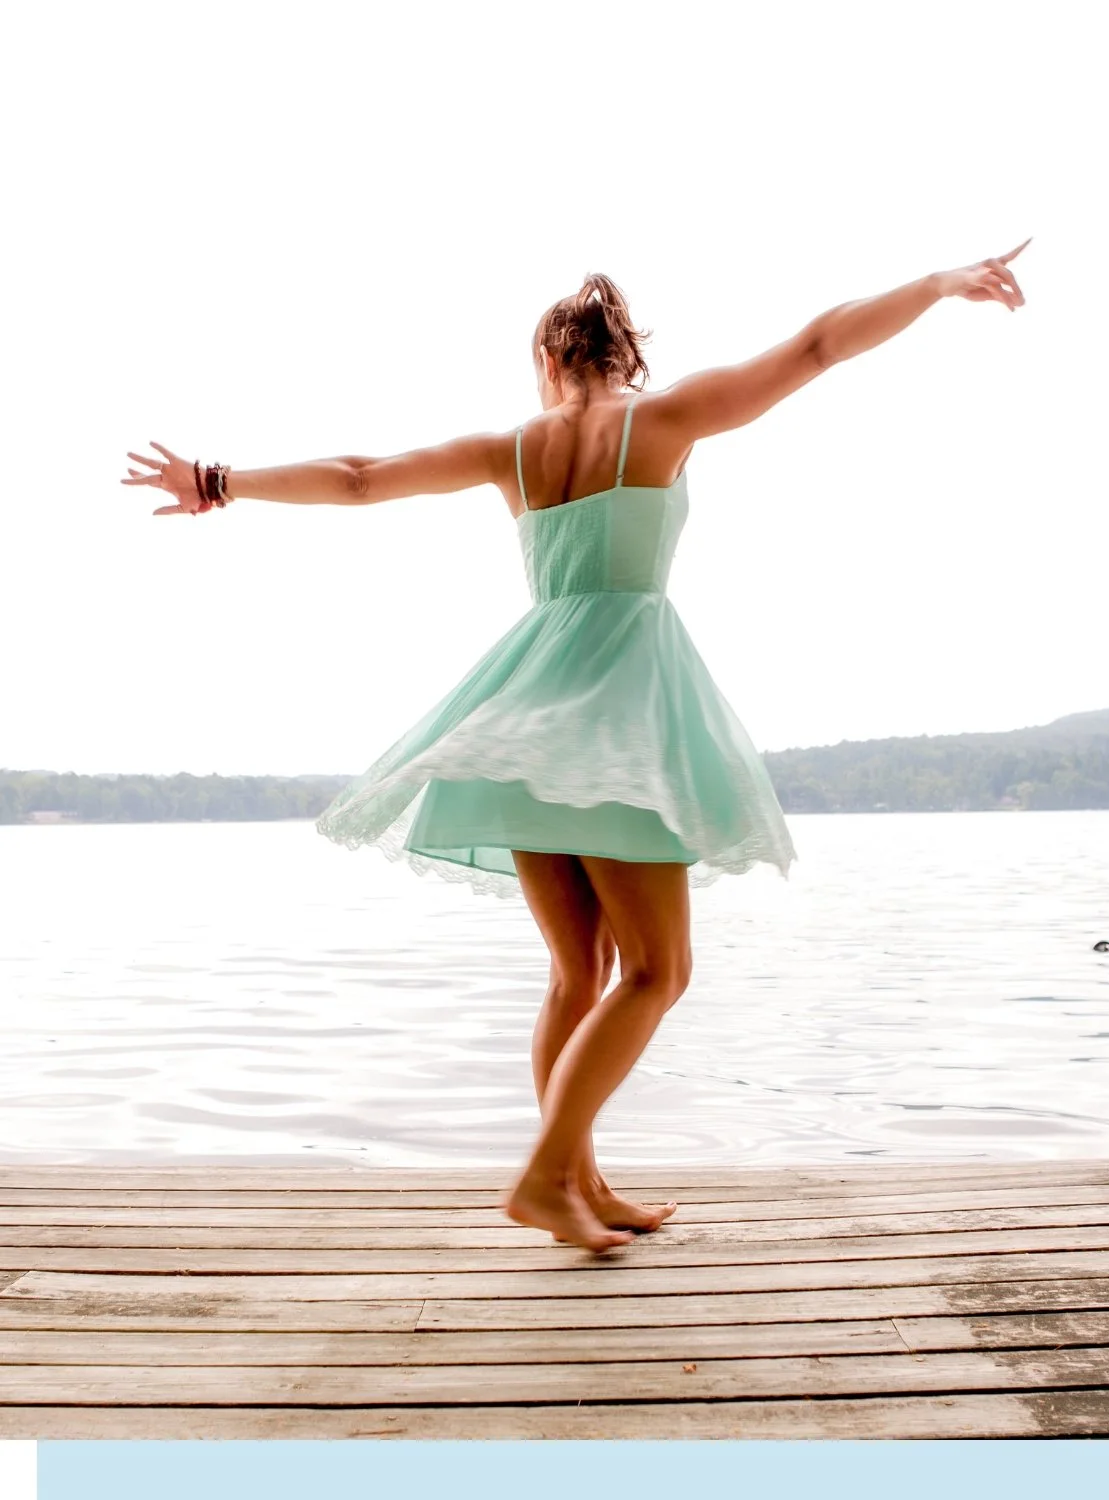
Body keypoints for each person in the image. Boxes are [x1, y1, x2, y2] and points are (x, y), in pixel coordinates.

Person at [123, 243, 1030, 1252]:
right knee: (657, 970)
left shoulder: (514, 450)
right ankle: (549, 1174)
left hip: (521, 717)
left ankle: (581, 1186)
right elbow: (818, 346)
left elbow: (361, 477)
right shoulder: (666, 420)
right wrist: (940, 285)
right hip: (619, 716)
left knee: (577, 973)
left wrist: (220, 480)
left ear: (549, 363)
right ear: (623, 358)